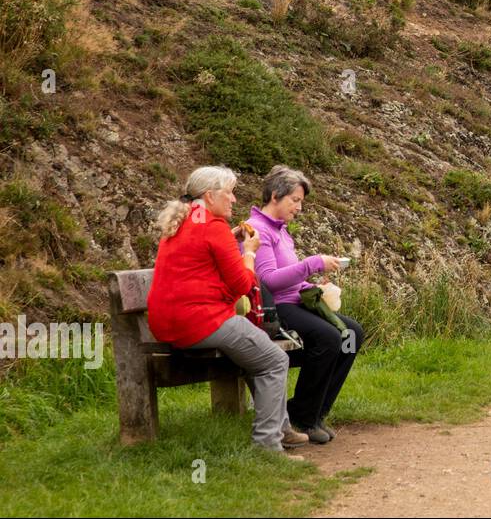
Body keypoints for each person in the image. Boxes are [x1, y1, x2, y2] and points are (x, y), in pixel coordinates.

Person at [148, 166, 307, 458]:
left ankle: (281, 427)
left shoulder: (184, 220)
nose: (234, 199)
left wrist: (231, 240)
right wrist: (248, 252)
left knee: (255, 355)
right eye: (229, 192)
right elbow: (244, 284)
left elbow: (202, 256)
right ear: (210, 196)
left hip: (165, 323)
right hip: (201, 322)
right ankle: (267, 446)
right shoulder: (214, 227)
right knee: (274, 360)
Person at [246, 165, 365, 445]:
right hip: (274, 309)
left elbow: (289, 279)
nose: (299, 207)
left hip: (295, 302)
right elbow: (268, 282)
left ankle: (314, 413)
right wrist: (312, 263)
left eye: (301, 202)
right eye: (295, 200)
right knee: (328, 338)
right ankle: (303, 416)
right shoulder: (259, 230)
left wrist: (312, 287)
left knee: (351, 333)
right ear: (275, 195)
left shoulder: (283, 231)